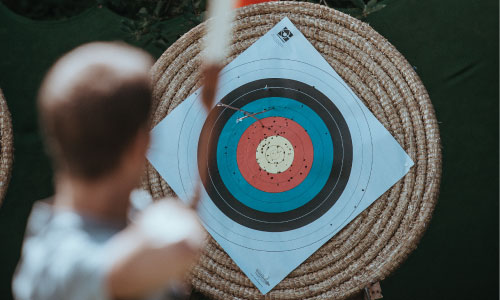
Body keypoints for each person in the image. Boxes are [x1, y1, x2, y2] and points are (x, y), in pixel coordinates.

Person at [12, 42, 206, 300]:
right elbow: (177, 246)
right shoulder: (57, 263)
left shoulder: (135, 212)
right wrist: (175, 220)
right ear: (141, 146)